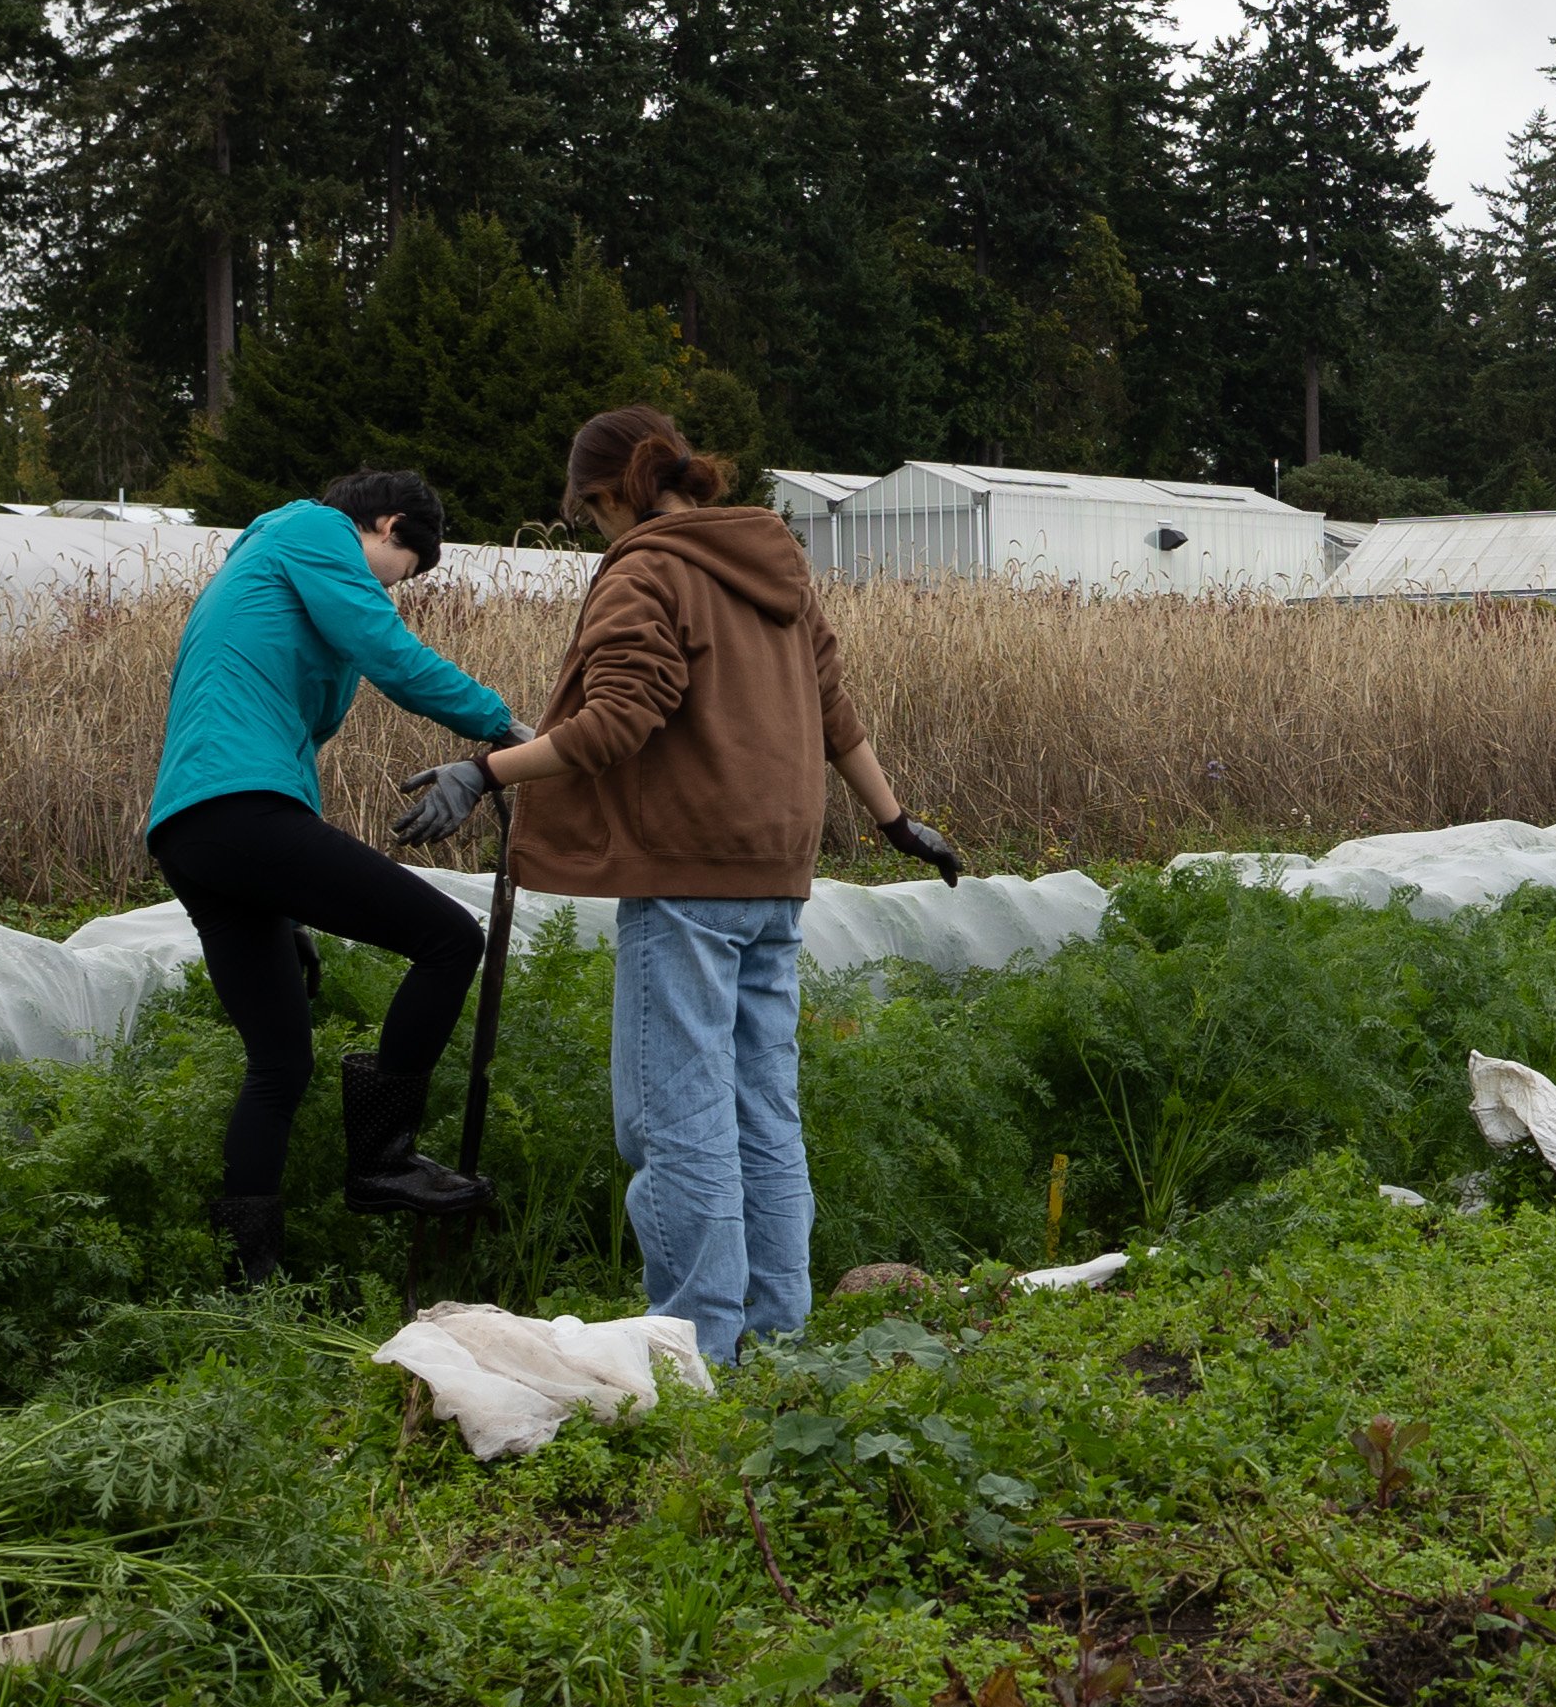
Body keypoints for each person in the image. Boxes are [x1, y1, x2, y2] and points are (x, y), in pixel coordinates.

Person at [394, 405, 959, 1364]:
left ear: (612, 492)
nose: (596, 531)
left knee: (677, 1119)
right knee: (762, 1111)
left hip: (689, 874)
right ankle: (778, 1342)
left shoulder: (651, 570)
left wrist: (482, 772)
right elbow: (833, 708)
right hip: (776, 872)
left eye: (590, 513)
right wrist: (894, 820)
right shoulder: (772, 562)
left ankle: (704, 1349)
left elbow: (619, 719)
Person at [140, 467, 525, 1282]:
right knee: (449, 938)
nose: (396, 591)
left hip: (197, 830)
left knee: (280, 1063)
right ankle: (383, 1158)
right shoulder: (312, 531)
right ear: (387, 526)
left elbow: (288, 738)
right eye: (405, 571)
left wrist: (291, 907)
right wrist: (509, 730)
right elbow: (387, 652)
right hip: (239, 811)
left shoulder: (265, 569)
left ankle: (250, 1283)